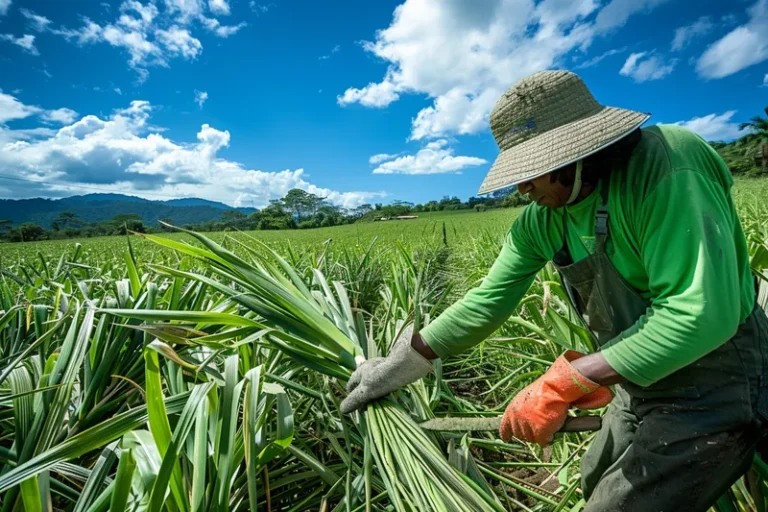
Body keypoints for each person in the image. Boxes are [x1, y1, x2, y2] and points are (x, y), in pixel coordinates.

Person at [340, 70, 768, 511]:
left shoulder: (667, 164)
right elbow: (488, 299)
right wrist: (400, 363)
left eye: (535, 170)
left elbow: (698, 315)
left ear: (581, 152)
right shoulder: (543, 219)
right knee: (594, 477)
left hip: (718, 379)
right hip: (638, 381)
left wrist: (568, 380)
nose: (523, 187)